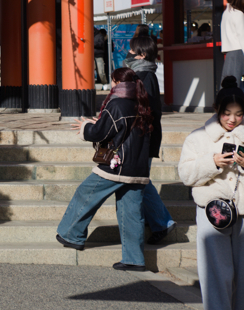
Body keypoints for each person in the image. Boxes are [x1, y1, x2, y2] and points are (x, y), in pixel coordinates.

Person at [56, 68, 153, 271]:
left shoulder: (117, 104)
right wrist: (101, 123)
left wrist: (86, 127)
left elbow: (99, 133)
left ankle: (71, 234)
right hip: (138, 168)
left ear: (117, 82)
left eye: (113, 81)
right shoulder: (142, 103)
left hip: (116, 166)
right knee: (131, 213)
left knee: (85, 194)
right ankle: (134, 259)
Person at [178, 80, 244, 310]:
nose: (232, 120)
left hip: (242, 213)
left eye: (239, 114)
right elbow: (186, 175)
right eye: (227, 113)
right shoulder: (197, 138)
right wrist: (213, 162)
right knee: (216, 276)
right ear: (217, 109)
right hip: (212, 212)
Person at [124, 34, 176, 244]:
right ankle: (155, 219)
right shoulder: (141, 74)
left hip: (143, 138)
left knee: (141, 180)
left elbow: (147, 111)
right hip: (142, 137)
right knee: (140, 179)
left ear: (142, 54)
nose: (129, 53)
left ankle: (163, 222)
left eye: (132, 50)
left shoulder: (144, 77)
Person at [221, 0, 244, 87]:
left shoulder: (226, 13)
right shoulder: (239, 14)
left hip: (229, 52)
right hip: (238, 51)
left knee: (227, 84)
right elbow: (242, 37)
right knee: (236, 84)